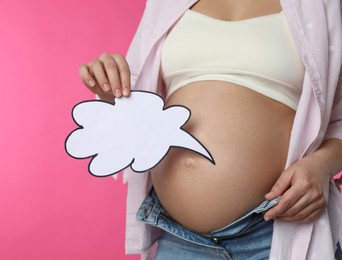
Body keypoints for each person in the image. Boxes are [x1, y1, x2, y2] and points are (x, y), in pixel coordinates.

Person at [79, 0, 342, 259]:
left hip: (274, 231)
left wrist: (321, 165)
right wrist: (109, 88)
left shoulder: (322, 5)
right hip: (177, 238)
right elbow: (137, 105)